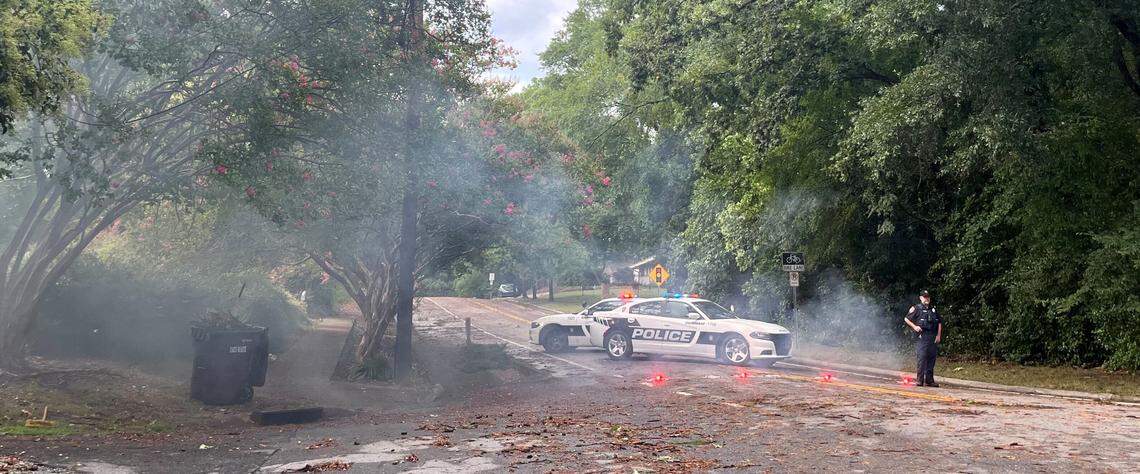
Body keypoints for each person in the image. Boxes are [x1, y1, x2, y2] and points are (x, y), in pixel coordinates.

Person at [904, 290, 942, 387]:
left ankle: (929, 380)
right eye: (925, 297)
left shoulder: (933, 309)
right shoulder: (916, 308)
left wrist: (938, 335)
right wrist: (914, 327)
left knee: (931, 359)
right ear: (921, 298)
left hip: (932, 337)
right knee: (922, 358)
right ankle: (919, 380)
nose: (927, 299)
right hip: (922, 337)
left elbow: (939, 323)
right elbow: (906, 319)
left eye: (928, 297)